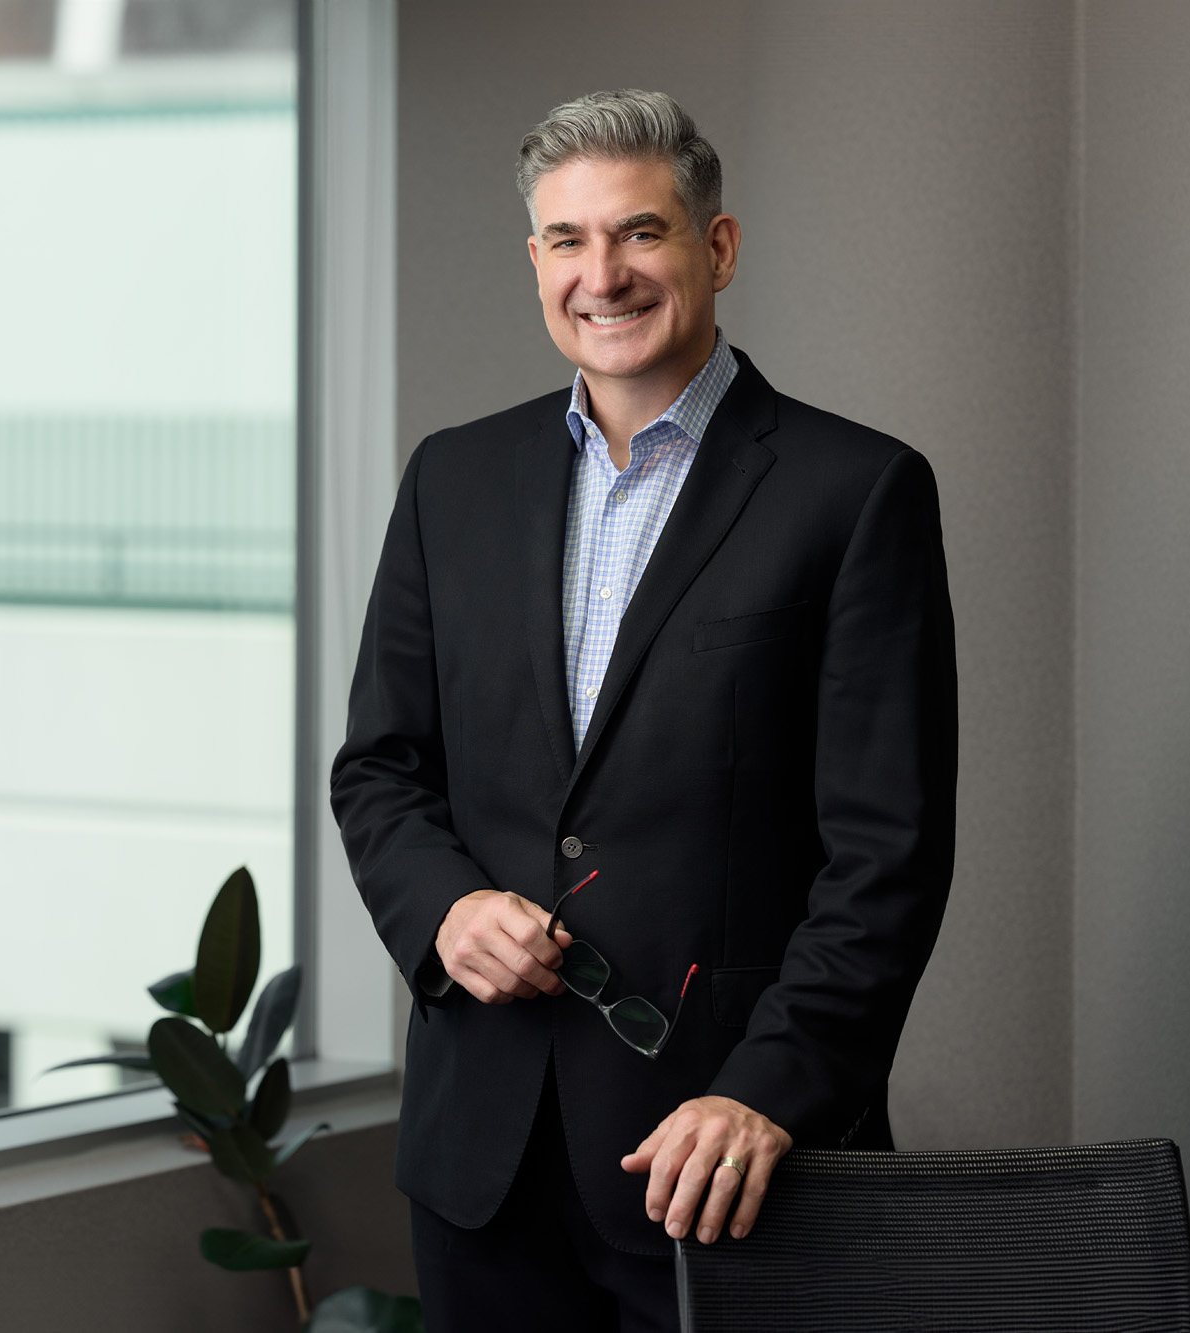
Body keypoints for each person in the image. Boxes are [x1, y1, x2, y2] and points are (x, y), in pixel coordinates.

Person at [330, 89, 957, 1332]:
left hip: (728, 1161)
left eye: (639, 233)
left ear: (713, 249)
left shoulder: (856, 491)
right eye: (566, 240)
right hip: (482, 1166)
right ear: (534, 262)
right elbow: (380, 768)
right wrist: (443, 908)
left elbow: (886, 852)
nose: (601, 274)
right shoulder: (451, 479)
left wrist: (767, 1093)